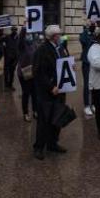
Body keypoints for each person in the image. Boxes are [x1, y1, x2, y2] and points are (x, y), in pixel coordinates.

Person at [32, 25, 68, 161]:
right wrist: (50, 87)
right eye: (59, 34)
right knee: (44, 120)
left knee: (57, 118)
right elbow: (38, 72)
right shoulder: (42, 50)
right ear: (54, 37)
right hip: (47, 93)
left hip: (61, 89)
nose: (61, 36)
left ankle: (53, 143)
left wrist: (70, 66)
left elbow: (64, 63)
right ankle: (39, 147)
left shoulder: (60, 48)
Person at [17, 26, 37, 122]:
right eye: (27, 35)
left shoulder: (33, 44)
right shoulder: (21, 45)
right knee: (26, 93)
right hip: (23, 73)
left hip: (33, 72)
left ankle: (35, 111)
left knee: (34, 93)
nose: (29, 36)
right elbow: (21, 38)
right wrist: (25, 27)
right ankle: (25, 113)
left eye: (30, 34)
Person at [80, 21, 96, 117]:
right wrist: (86, 30)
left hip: (94, 62)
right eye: (91, 25)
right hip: (86, 63)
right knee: (86, 85)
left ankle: (93, 104)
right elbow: (83, 41)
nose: (93, 26)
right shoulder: (84, 34)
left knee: (94, 84)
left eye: (93, 25)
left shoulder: (95, 34)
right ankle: (86, 106)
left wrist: (95, 30)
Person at [0, 26, 18, 91]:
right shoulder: (7, 37)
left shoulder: (18, 38)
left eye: (15, 30)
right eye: (13, 30)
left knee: (12, 72)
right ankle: (6, 85)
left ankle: (10, 84)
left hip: (14, 58)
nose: (14, 31)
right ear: (11, 30)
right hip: (8, 57)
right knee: (6, 72)